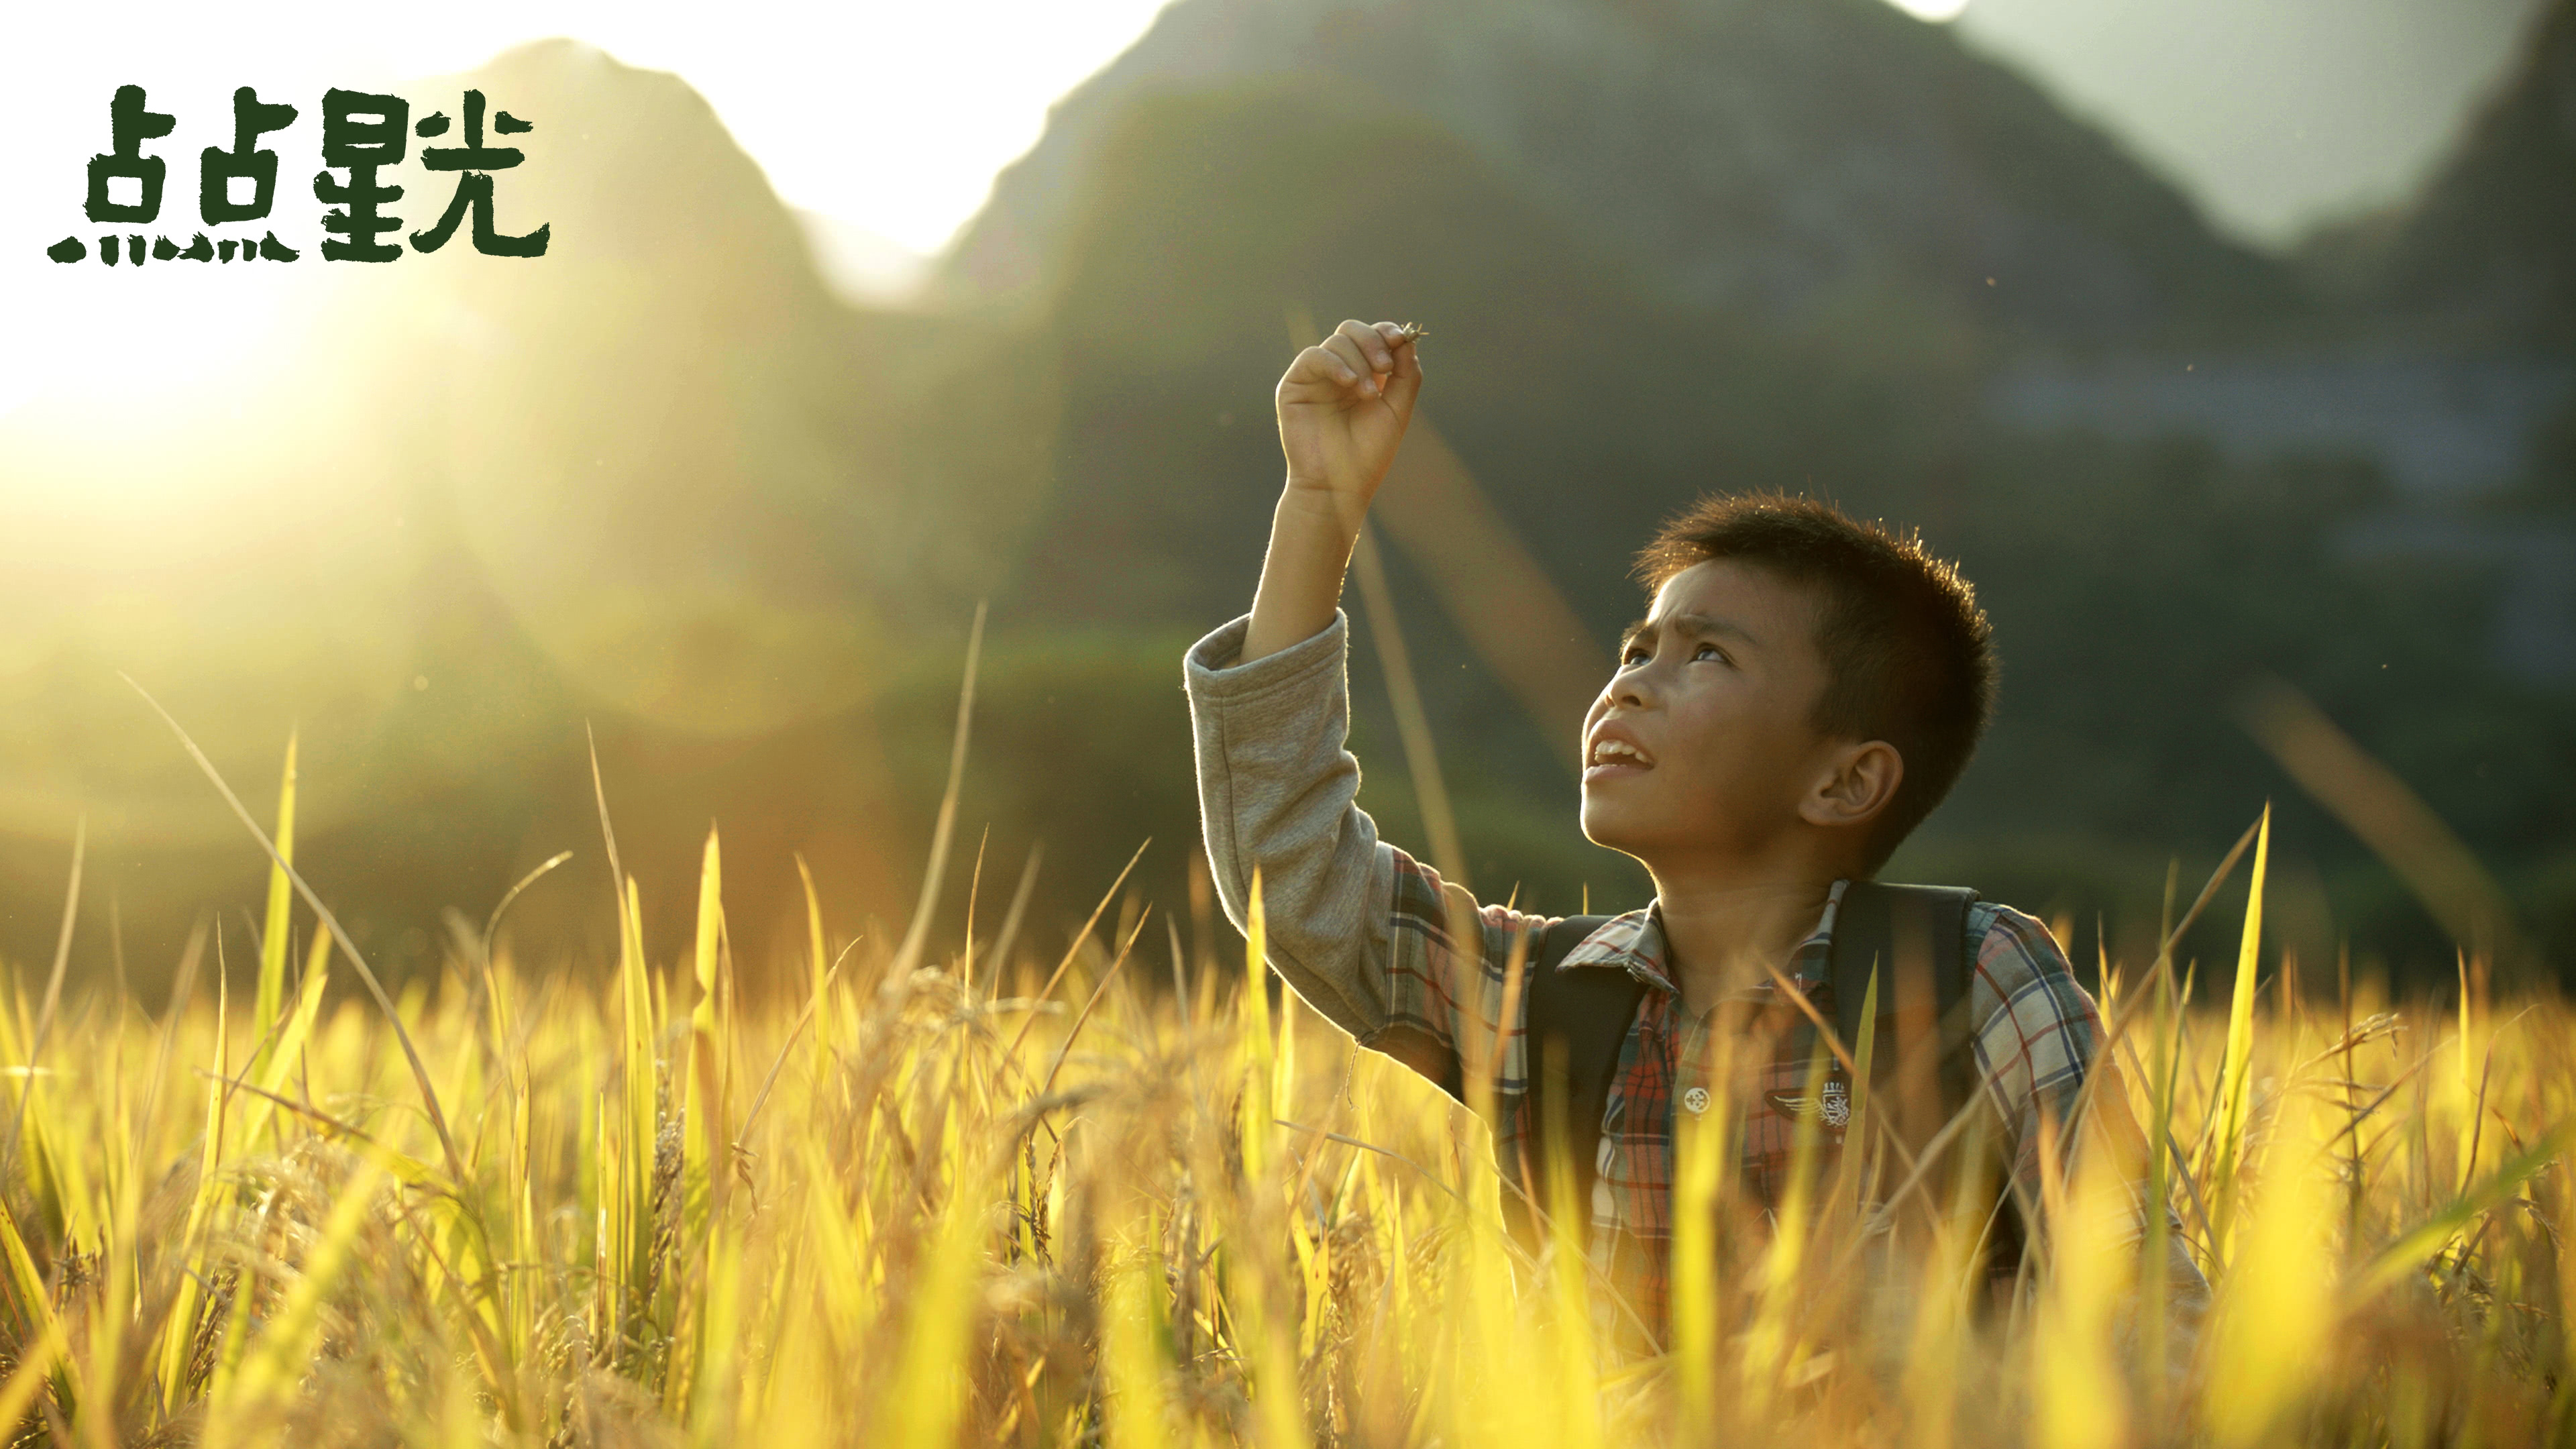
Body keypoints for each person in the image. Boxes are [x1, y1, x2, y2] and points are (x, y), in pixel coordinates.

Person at [1182, 318, 2206, 1359]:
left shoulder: (1970, 974)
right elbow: (1291, 873)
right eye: (1638, 647)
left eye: (1708, 656)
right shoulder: (1540, 997)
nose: (1629, 680)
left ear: (1846, 779)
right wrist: (1320, 506)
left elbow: (2150, 1319)